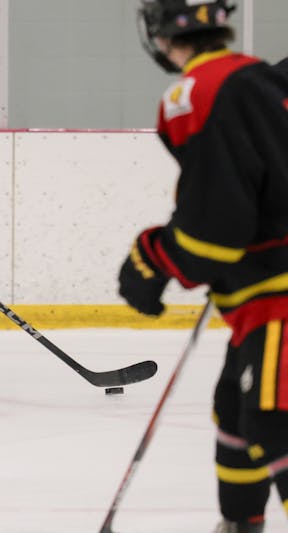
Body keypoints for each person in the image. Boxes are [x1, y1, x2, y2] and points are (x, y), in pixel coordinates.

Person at [121, 1, 288, 531]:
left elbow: (217, 226)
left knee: (275, 416)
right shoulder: (259, 78)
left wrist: (153, 259)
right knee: (236, 411)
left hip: (279, 297)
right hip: (262, 298)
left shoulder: (195, 92)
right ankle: (241, 523)